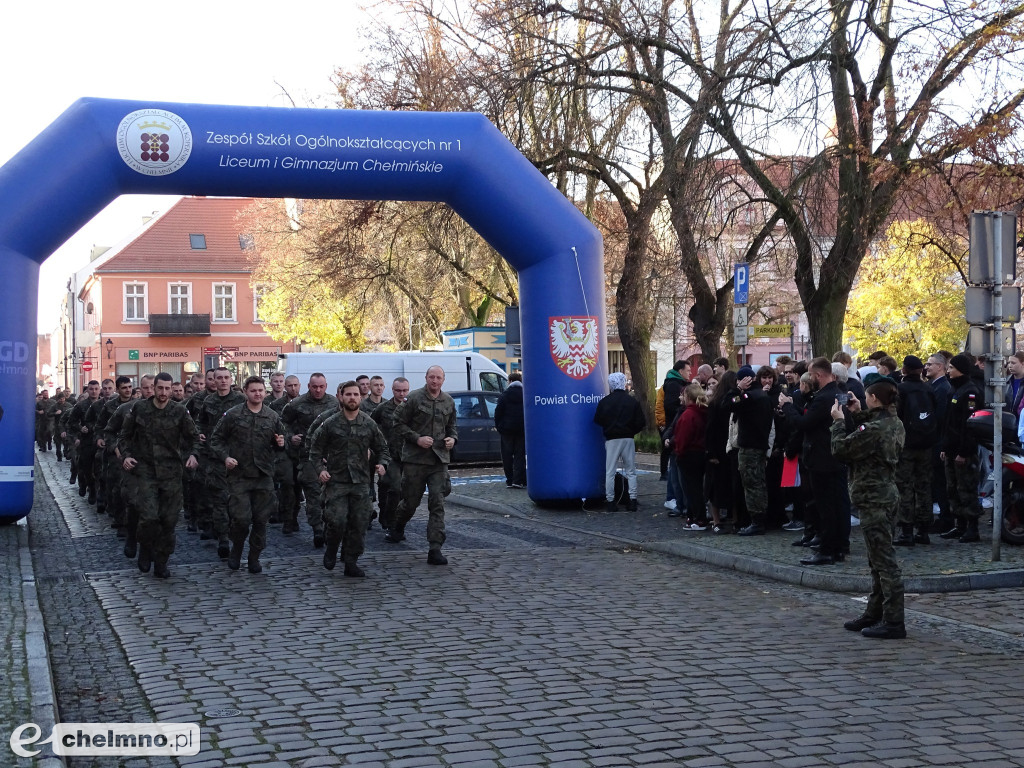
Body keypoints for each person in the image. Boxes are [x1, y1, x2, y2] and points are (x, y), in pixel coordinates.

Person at [832, 379, 907, 639]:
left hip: (875, 498)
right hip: (885, 495)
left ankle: (895, 621)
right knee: (876, 561)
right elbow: (875, 427)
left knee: (884, 563)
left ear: (874, 398)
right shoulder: (894, 422)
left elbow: (841, 449)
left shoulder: (875, 429)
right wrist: (857, 412)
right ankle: (874, 613)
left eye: (867, 397)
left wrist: (839, 422)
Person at [117, 372, 200, 579]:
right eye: (160, 388)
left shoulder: (179, 411)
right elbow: (124, 436)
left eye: (167, 388)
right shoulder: (140, 408)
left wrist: (193, 455)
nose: (164, 393)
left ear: (172, 389)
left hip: (171, 473)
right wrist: (125, 456)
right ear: (153, 388)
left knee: (169, 520)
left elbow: (194, 438)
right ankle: (145, 547)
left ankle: (162, 560)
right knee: (149, 517)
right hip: (145, 471)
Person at [310, 380, 390, 577]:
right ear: (341, 397)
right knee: (336, 521)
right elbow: (314, 449)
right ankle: (331, 549)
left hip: (361, 482)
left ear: (361, 398)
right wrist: (320, 469)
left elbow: (383, 448)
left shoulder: (369, 423)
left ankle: (351, 560)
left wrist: (382, 464)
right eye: (348, 395)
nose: (352, 398)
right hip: (336, 481)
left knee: (359, 522)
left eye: (356, 395)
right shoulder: (330, 423)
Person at [210, 376, 286, 574]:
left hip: (263, 476)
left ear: (265, 392)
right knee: (241, 519)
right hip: (239, 476)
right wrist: (225, 458)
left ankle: (254, 557)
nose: (257, 394)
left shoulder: (272, 416)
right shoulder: (233, 415)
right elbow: (216, 440)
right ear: (245, 391)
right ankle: (237, 550)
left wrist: (281, 444)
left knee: (261, 520)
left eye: (261, 390)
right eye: (253, 390)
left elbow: (280, 442)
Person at [387, 365, 458, 565]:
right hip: (415, 460)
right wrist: (416, 438)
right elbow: (397, 423)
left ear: (444, 380)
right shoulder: (415, 399)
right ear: (426, 378)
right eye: (432, 377)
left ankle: (435, 548)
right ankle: (398, 526)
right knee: (410, 502)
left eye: (438, 378)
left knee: (437, 502)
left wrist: (452, 438)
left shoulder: (448, 401)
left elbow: (452, 426)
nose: (435, 381)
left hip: (438, 461)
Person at [779, 358, 847, 564]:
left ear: (818, 375)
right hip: (835, 456)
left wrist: (788, 407)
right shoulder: (838, 394)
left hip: (822, 458)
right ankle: (838, 547)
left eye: (811, 375)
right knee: (837, 505)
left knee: (826, 507)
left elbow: (805, 424)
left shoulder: (824, 397)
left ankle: (827, 550)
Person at [281, 373, 339, 547]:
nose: (318, 390)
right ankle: (317, 529)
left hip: (330, 457)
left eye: (321, 386)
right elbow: (282, 423)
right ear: (308, 386)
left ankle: (330, 526)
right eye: (314, 387)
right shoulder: (296, 405)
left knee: (331, 495)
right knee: (313, 493)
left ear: (326, 386)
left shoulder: (334, 404)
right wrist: (291, 437)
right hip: (306, 455)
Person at [195, 367, 246, 557]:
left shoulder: (241, 400)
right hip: (216, 458)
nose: (223, 381)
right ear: (214, 381)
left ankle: (235, 535)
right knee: (219, 501)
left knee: (237, 503)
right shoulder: (209, 401)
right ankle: (223, 538)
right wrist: (199, 433)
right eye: (219, 378)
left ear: (231, 379)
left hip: (239, 459)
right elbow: (201, 422)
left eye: (226, 377)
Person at [939, 354, 985, 542]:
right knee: (953, 489)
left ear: (960, 369)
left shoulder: (970, 391)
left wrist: (964, 452)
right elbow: (948, 423)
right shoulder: (955, 389)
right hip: (951, 449)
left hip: (963, 451)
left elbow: (970, 426)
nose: (948, 371)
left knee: (966, 489)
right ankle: (960, 525)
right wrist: (945, 447)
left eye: (951, 368)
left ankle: (972, 528)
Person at [894, 355, 938, 546]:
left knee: (904, 487)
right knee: (924, 486)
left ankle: (906, 531)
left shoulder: (901, 389)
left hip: (906, 444)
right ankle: (924, 530)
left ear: (904, 369)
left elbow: (896, 416)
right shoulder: (929, 389)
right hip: (926, 443)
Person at [726, 365, 774, 535]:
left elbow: (728, 403)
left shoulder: (749, 396)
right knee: (759, 483)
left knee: (751, 483)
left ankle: (757, 521)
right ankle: (760, 519)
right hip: (760, 445)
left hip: (749, 447)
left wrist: (738, 389)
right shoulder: (763, 396)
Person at [594, 372, 646, 512]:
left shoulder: (605, 402)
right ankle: (632, 500)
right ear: (623, 383)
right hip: (628, 437)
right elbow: (641, 422)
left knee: (610, 471)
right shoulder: (632, 401)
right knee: (631, 470)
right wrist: (630, 431)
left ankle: (610, 501)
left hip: (611, 439)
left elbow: (598, 419)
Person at [371, 377, 411, 535]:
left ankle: (395, 519)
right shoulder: (384, 408)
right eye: (398, 390)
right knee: (394, 487)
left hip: (409, 455)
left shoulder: (412, 407)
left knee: (405, 491)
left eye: (404, 390)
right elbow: (371, 425)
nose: (401, 394)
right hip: (390, 455)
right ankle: (390, 520)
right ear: (392, 390)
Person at [671, 383, 709, 529]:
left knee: (691, 489)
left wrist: (679, 452)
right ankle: (694, 516)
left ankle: (698, 518)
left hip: (688, 455)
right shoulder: (703, 411)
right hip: (700, 454)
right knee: (696, 487)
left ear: (688, 396)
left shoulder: (688, 415)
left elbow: (683, 437)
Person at [494, 371, 526, 488]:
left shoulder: (504, 395)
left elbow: (498, 413)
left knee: (507, 455)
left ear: (511, 381)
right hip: (522, 430)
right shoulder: (525, 394)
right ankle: (518, 481)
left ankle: (509, 479)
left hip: (507, 430)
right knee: (519, 455)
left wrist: (500, 427)